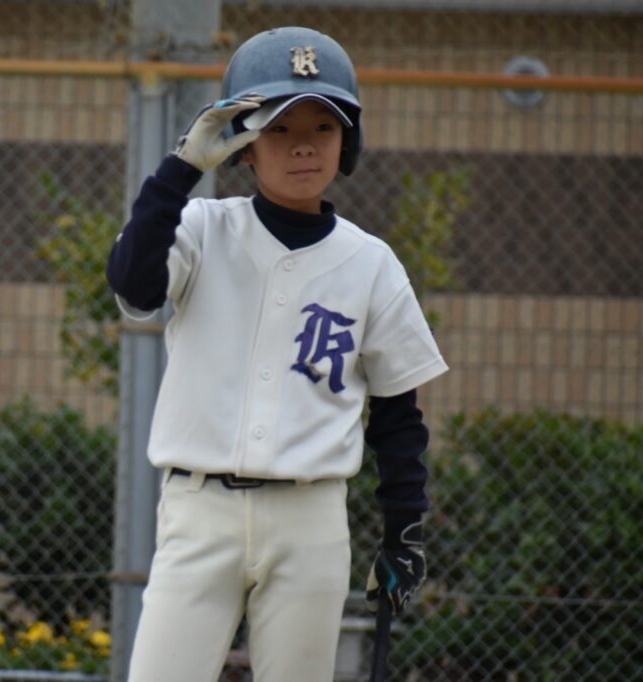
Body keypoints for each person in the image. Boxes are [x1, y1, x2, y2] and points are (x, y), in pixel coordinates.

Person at [106, 26, 448, 681]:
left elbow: (398, 414)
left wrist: (404, 528)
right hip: (199, 507)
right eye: (280, 128)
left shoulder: (371, 263)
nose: (303, 146)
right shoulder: (202, 227)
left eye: (323, 127)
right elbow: (133, 284)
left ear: (347, 141)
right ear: (243, 143)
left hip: (310, 517)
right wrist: (181, 171)